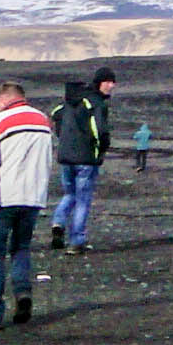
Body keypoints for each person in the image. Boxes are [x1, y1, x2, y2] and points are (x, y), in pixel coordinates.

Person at [0, 80, 57, 326]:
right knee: (21, 248)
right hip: (34, 194)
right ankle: (23, 293)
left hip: (4, 196)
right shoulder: (42, 121)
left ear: (2, 100)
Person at [50, 67, 115, 253]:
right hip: (86, 158)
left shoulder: (70, 102)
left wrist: (64, 140)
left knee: (70, 194)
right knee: (83, 199)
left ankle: (58, 223)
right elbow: (100, 131)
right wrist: (101, 150)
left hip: (66, 157)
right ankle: (76, 241)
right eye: (108, 82)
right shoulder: (95, 103)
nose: (111, 86)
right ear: (99, 83)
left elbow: (57, 116)